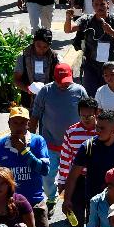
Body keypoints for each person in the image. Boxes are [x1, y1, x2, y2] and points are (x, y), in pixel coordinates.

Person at [63, 110, 114, 227]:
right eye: (97, 127)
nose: (97, 131)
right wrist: (67, 199)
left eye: (102, 128)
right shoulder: (88, 147)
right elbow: (73, 176)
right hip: (96, 204)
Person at [0, 106, 53, 227]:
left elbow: (44, 170)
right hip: (8, 205)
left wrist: (24, 151)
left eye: (22, 122)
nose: (18, 126)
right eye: (15, 122)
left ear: (28, 124)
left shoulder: (38, 142)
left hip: (34, 202)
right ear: (9, 124)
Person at [32, 64, 90, 208]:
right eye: (60, 81)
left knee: (73, 177)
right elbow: (35, 116)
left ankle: (73, 203)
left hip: (73, 146)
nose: (64, 85)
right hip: (50, 144)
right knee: (47, 176)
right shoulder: (45, 91)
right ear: (54, 78)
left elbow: (89, 112)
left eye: (67, 81)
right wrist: (32, 140)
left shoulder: (79, 90)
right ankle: (52, 197)